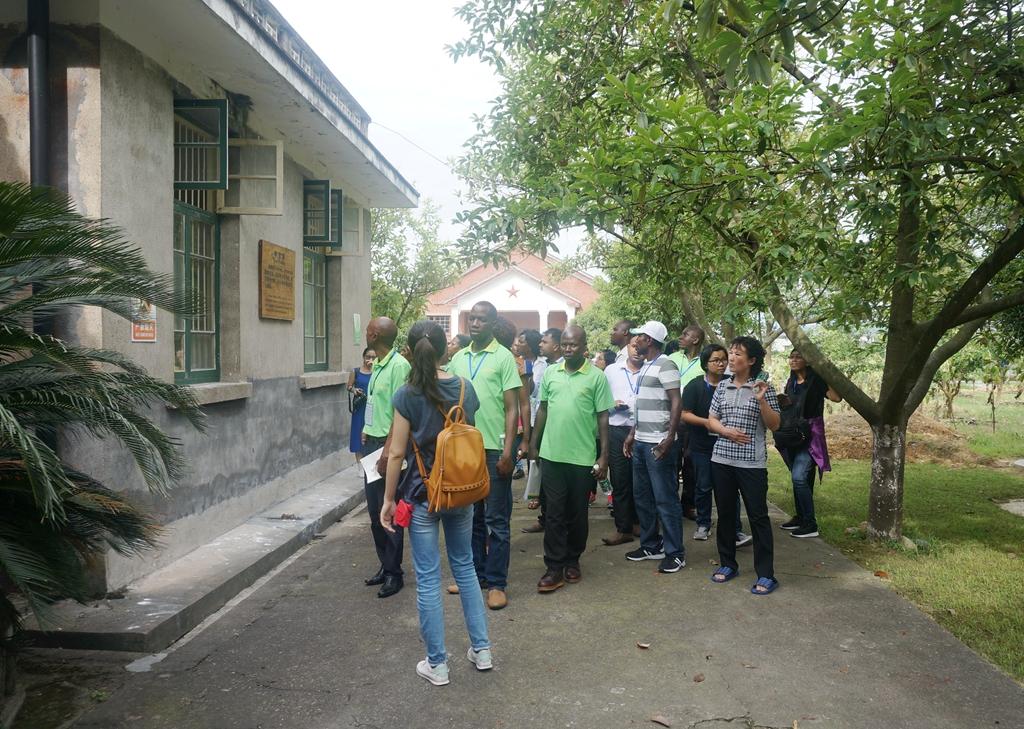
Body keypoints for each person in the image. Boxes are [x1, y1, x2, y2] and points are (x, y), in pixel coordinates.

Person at [379, 320, 492, 686]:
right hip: (461, 491)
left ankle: (437, 664)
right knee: (466, 568)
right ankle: (482, 650)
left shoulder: (407, 394)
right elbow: (467, 437)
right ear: (446, 350)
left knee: (428, 579)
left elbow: (396, 453)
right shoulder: (464, 387)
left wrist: (388, 499)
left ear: (410, 353)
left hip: (421, 495)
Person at [447, 301, 521, 610]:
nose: (475, 324)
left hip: (493, 450)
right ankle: (475, 575)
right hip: (465, 449)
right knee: (471, 517)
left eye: (482, 319)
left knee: (496, 520)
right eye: (472, 319)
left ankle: (497, 583)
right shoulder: (458, 358)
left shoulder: (503, 358)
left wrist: (508, 451)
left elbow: (512, 408)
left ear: (492, 323)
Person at [528, 326, 613, 592]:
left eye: (573, 344)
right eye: (564, 344)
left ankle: (573, 559)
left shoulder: (596, 377)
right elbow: (542, 409)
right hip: (552, 454)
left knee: (576, 514)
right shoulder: (551, 373)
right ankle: (554, 567)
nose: (567, 349)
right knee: (553, 513)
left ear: (584, 346)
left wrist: (604, 455)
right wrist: (534, 443)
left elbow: (603, 417)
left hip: (582, 457)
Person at [707, 336, 781, 595]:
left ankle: (766, 574)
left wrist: (761, 399)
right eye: (731, 352)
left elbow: (775, 425)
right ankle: (728, 564)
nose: (731, 357)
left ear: (751, 360)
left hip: (751, 463)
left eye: (738, 354)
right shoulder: (722, 386)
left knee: (758, 517)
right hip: (721, 460)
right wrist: (725, 431)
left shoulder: (764, 387)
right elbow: (711, 419)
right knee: (726, 514)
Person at [623, 321, 686, 574]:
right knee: (643, 498)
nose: (635, 340)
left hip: (659, 443)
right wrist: (632, 434)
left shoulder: (666, 364)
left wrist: (670, 438)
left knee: (665, 499)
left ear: (649, 340)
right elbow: (641, 405)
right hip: (641, 442)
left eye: (639, 336)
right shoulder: (646, 365)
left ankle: (675, 553)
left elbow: (676, 402)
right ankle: (651, 545)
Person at [362, 317, 412, 598]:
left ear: (375, 335)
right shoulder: (378, 364)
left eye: (368, 330)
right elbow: (376, 405)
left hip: (388, 448)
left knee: (389, 510)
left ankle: (394, 573)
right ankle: (385, 564)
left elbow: (399, 413)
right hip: (373, 445)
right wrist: (366, 430)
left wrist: (388, 451)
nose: (365, 333)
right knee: (373, 512)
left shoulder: (399, 366)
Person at [681, 344, 750, 546]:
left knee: (730, 489)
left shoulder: (733, 383)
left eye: (723, 360)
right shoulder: (695, 386)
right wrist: (709, 423)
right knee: (703, 486)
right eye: (716, 360)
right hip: (702, 445)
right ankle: (703, 523)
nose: (721, 364)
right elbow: (685, 414)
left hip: (728, 445)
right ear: (705, 363)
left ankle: (735, 529)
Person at [778, 349, 842, 539]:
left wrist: (826, 373)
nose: (793, 360)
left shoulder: (816, 380)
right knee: (801, 478)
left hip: (811, 435)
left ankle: (810, 524)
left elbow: (836, 398)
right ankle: (800, 518)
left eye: (798, 357)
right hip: (793, 434)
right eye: (791, 357)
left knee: (799, 477)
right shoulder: (791, 382)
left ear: (807, 361)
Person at [521, 327, 563, 531]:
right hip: (539, 423)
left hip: (555, 428)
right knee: (540, 470)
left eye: (544, 341)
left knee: (553, 475)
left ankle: (555, 520)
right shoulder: (544, 366)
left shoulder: (563, 367)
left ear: (556, 346)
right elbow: (535, 393)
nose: (540, 344)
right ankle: (545, 517)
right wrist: (527, 378)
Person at [601, 342, 643, 545]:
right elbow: (601, 400)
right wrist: (612, 404)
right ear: (627, 347)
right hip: (617, 429)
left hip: (644, 431)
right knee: (620, 480)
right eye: (633, 345)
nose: (637, 349)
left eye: (640, 345)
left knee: (641, 480)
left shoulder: (652, 369)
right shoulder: (611, 371)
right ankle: (623, 528)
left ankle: (639, 522)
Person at [670, 326, 707, 521]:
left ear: (696, 340)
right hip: (673, 418)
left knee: (691, 463)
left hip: (694, 418)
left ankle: (689, 504)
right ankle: (672, 504)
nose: (680, 337)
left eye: (686, 334)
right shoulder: (672, 358)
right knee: (672, 461)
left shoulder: (705, 361)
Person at [347, 347, 375, 462]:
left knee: (370, 437)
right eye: (368, 357)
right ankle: (360, 465)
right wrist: (354, 390)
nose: (370, 359)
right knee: (357, 436)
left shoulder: (376, 372)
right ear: (363, 357)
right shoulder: (356, 371)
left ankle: (369, 462)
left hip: (372, 408)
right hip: (359, 408)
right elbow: (349, 386)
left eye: (373, 357)